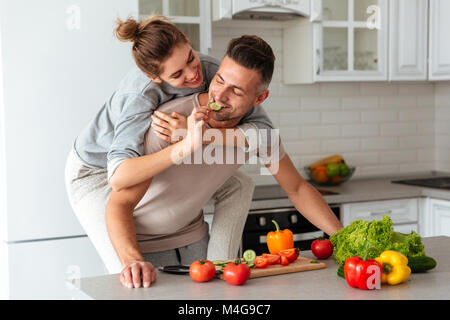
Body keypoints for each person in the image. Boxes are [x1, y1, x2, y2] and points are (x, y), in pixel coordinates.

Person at [107, 35, 343, 289]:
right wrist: (132, 260)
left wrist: (344, 238)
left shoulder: (257, 135)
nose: (220, 95)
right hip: (140, 237)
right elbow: (120, 201)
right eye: (219, 80)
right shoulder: (169, 122)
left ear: (259, 99)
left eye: (237, 91)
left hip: (190, 233)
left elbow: (297, 188)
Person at [64, 16, 274, 274]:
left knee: (239, 183)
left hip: (153, 156)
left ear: (188, 42)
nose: (193, 74)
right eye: (177, 74)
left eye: (189, 58)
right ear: (153, 76)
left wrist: (202, 137)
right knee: (126, 272)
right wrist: (185, 146)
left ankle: (223, 268)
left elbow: (262, 130)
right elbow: (119, 176)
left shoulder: (211, 71)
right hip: (96, 171)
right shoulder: (141, 95)